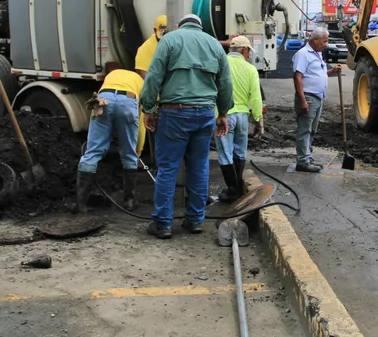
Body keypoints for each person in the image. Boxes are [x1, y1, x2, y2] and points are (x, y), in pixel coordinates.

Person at [140, 14, 233, 239]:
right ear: (200, 26)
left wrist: (149, 108)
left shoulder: (170, 40)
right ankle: (195, 220)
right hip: (204, 114)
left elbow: (153, 76)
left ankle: (163, 223)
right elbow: (225, 83)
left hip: (174, 113)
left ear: (179, 25)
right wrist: (223, 113)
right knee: (199, 167)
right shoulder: (214, 45)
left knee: (169, 167)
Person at [75, 69, 146, 213]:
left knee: (93, 151)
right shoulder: (141, 83)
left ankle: (81, 204)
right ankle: (129, 202)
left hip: (103, 99)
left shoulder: (113, 75)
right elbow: (141, 129)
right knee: (129, 153)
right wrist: (137, 152)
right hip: (128, 100)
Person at [214, 36, 263, 202]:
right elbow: (256, 98)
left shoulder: (220, 64)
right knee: (240, 151)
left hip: (223, 115)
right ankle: (237, 186)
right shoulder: (250, 69)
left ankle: (233, 189)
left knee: (225, 153)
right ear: (244, 50)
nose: (249, 54)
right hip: (242, 116)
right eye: (248, 51)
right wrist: (258, 121)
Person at [292, 26, 341, 173]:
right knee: (304, 129)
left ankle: (307, 157)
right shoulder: (303, 54)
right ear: (315, 39)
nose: (325, 44)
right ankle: (302, 161)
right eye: (324, 41)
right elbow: (298, 77)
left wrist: (331, 71)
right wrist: (302, 100)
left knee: (312, 130)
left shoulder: (317, 54)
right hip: (308, 97)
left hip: (318, 98)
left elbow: (315, 73)